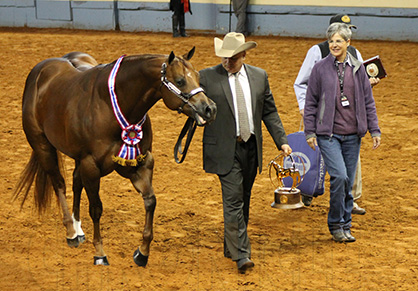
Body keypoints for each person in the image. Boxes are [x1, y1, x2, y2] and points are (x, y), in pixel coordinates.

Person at [199, 32, 292, 272]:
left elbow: (269, 112)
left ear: (244, 54)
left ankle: (232, 245)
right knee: (233, 200)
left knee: (244, 198)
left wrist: (281, 140)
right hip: (223, 150)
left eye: (232, 57)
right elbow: (193, 105)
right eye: (224, 57)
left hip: (251, 147)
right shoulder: (206, 78)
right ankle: (242, 254)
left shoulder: (260, 77)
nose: (227, 61)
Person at [294, 14, 379, 214]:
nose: (345, 35)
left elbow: (358, 87)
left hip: (347, 119)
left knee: (350, 162)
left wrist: (369, 84)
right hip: (322, 115)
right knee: (314, 152)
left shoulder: (355, 52)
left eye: (348, 32)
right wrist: (306, 108)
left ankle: (351, 198)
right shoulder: (317, 51)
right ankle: (307, 189)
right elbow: (302, 81)